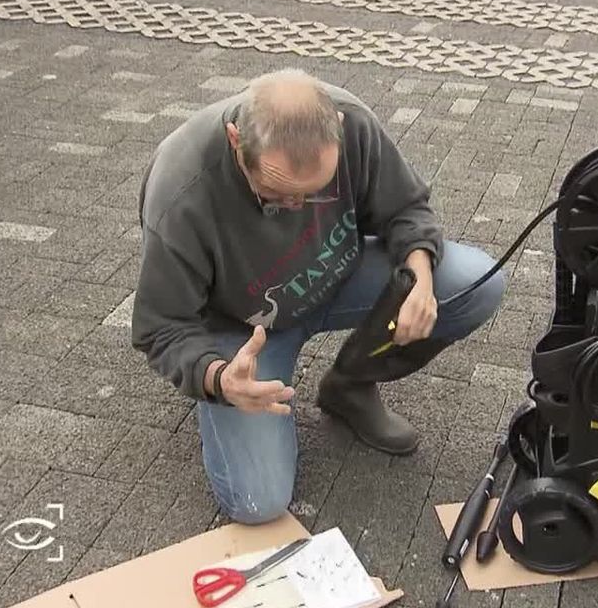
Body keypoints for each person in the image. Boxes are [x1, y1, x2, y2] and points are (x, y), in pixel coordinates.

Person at [132, 68, 506, 525]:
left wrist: (421, 279)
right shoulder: (182, 190)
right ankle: (235, 396)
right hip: (243, 333)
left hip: (337, 278)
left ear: (338, 134)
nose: (296, 209)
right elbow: (162, 327)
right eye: (277, 195)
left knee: (476, 282)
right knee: (260, 502)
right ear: (236, 141)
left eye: (313, 194)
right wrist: (217, 377)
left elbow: (405, 208)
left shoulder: (351, 122)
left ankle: (349, 385)